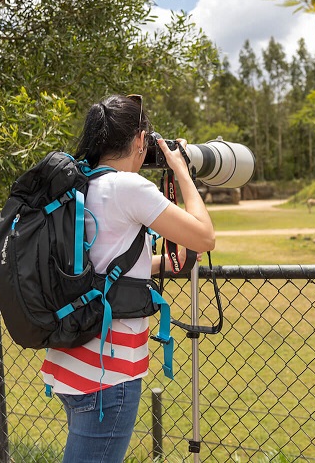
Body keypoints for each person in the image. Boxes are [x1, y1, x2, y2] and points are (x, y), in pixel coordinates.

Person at [40, 94, 215, 463]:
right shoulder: (127, 188)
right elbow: (204, 236)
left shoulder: (78, 184)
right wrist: (182, 170)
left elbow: (98, 267)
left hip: (69, 359)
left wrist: (157, 264)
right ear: (140, 141)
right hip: (109, 375)